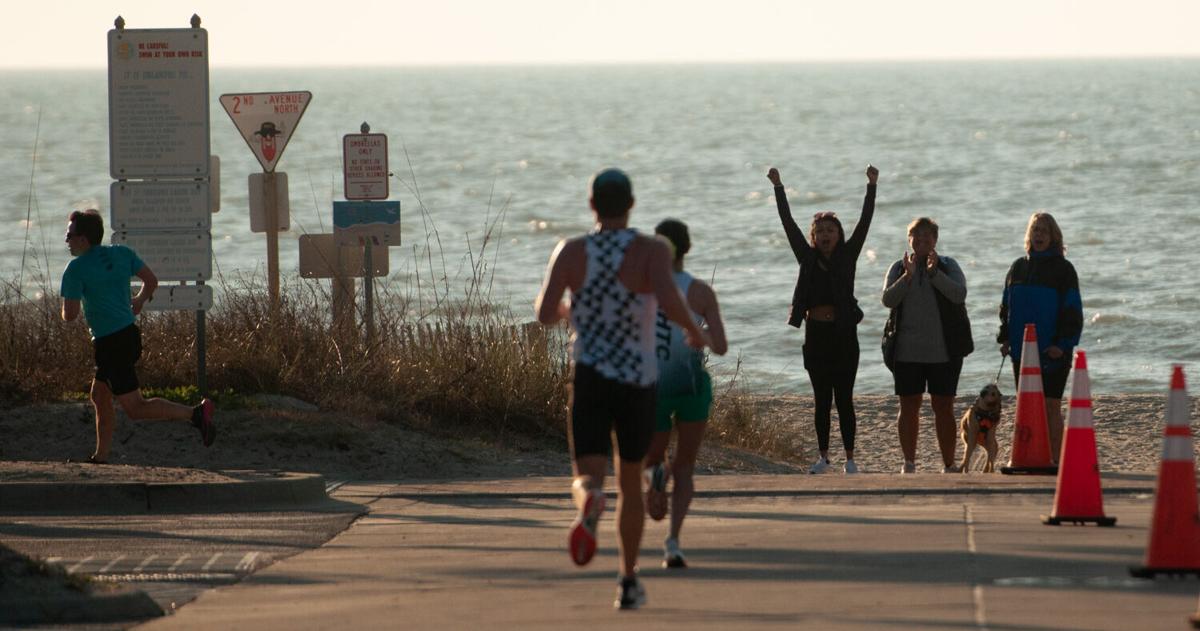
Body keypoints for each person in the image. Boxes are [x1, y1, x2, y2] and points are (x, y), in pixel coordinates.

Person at [534, 169, 710, 610]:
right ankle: (628, 580)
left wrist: (567, 308)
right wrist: (694, 332)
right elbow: (670, 300)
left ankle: (588, 501)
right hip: (638, 381)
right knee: (631, 482)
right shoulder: (649, 251)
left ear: (592, 205)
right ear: (631, 205)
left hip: (591, 377)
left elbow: (543, 313)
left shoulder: (572, 251)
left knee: (586, 475)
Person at [60, 209, 215, 463]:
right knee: (99, 395)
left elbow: (70, 315)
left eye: (70, 235)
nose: (66, 241)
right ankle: (101, 456)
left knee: (135, 408)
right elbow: (151, 280)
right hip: (128, 336)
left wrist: (66, 303)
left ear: (84, 239)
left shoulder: (75, 269)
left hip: (111, 343)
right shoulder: (122, 253)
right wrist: (140, 301)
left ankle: (197, 414)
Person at [769, 165, 878, 474]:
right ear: (813, 237)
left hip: (844, 334)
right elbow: (787, 222)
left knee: (844, 398)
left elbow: (865, 220)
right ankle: (823, 457)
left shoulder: (848, 256)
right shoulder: (806, 257)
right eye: (821, 231)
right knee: (821, 399)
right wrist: (778, 186)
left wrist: (871, 186)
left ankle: (850, 459)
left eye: (832, 230)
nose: (826, 235)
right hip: (816, 335)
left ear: (839, 235)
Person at [643, 219, 728, 570]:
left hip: (653, 387)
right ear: (687, 248)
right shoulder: (700, 292)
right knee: (686, 467)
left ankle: (655, 480)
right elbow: (720, 346)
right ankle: (674, 542)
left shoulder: (642, 289)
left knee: (652, 460)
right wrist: (700, 336)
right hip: (692, 385)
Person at [881, 217, 973, 473]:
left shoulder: (947, 265)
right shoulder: (898, 267)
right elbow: (887, 300)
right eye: (916, 237)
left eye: (927, 237)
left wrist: (933, 274)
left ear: (935, 240)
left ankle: (949, 463)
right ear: (909, 239)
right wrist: (907, 278)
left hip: (944, 352)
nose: (921, 241)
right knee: (908, 406)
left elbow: (959, 294)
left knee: (943, 407)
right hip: (907, 351)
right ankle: (909, 463)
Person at [997, 211, 1082, 462]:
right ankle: (1031, 457)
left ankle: (1055, 461)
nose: (1039, 235)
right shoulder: (1018, 267)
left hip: (1052, 350)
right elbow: (1005, 307)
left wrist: (1063, 344)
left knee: (1050, 406)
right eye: (1035, 230)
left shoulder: (1064, 270)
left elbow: (1073, 311)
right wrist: (1005, 338)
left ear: (1054, 236)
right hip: (1022, 352)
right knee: (1027, 406)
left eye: (1044, 230)